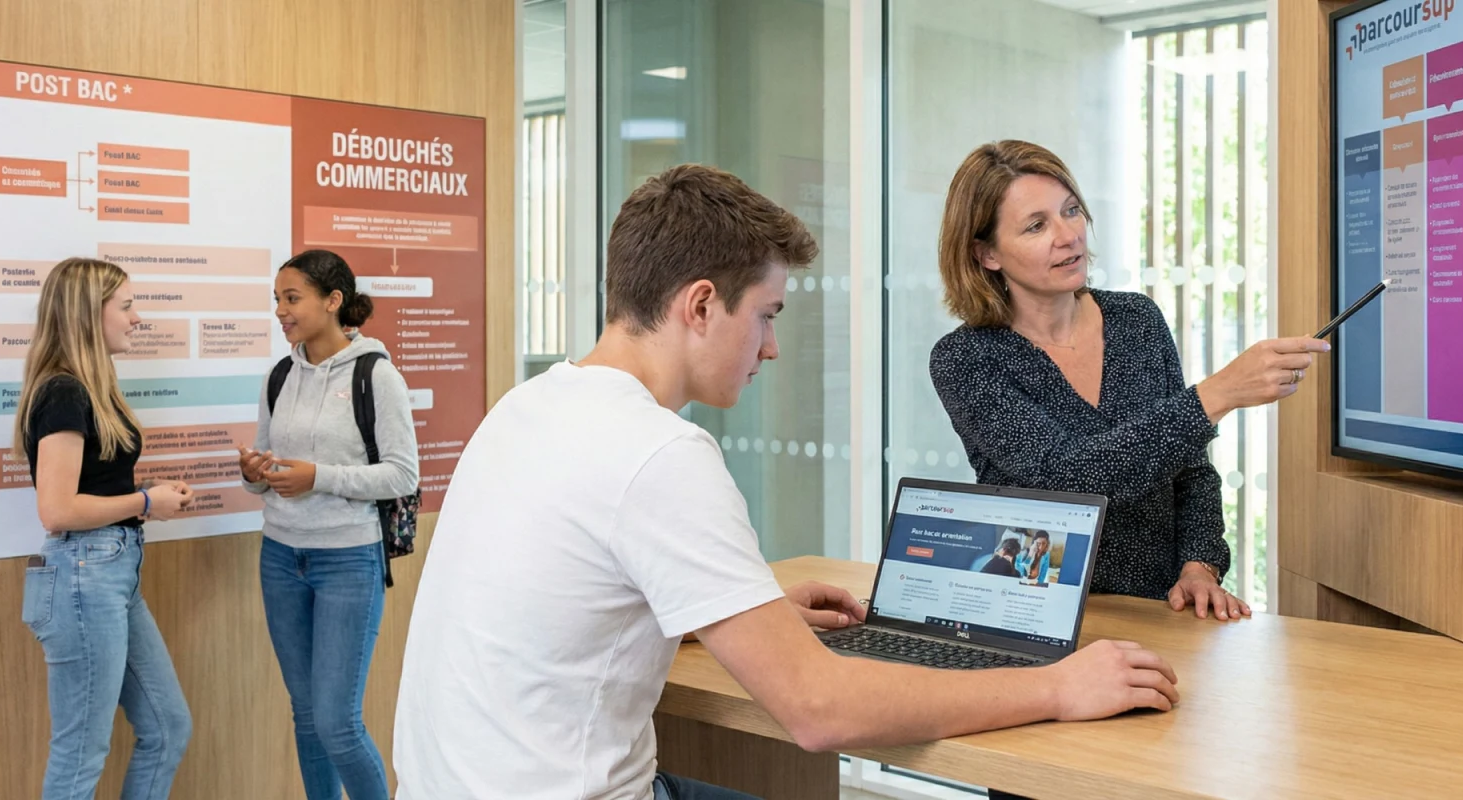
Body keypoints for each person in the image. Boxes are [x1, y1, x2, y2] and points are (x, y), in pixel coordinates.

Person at [394, 163, 1180, 800]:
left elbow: (561, 599)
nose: (769, 349)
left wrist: (743, 614)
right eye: (767, 315)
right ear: (701, 305)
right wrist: (1058, 685)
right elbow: (820, 712)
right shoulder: (658, 451)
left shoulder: (529, 406)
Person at [930, 141, 1330, 621]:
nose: (1068, 235)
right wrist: (1216, 394)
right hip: (1038, 617)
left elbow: (1192, 472)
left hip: (1162, 612)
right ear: (987, 253)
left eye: (1071, 211)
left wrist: (1199, 567)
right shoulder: (965, 359)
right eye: (1037, 225)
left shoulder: (1136, 319)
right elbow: (1070, 478)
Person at [12, 257, 194, 799]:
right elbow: (57, 510)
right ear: (90, 315)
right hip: (82, 577)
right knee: (79, 757)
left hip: (111, 574)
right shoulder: (64, 392)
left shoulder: (90, 388)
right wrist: (143, 500)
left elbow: (89, 489)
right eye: (127, 305)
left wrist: (144, 504)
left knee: (167, 727)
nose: (137, 318)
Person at [238, 250, 418, 800]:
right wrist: (256, 474)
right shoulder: (280, 374)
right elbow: (267, 469)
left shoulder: (375, 374)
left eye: (291, 299)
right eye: (277, 299)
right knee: (308, 714)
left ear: (333, 301)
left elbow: (402, 474)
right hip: (280, 558)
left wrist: (320, 477)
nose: (280, 311)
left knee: (338, 722)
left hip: (347, 560)